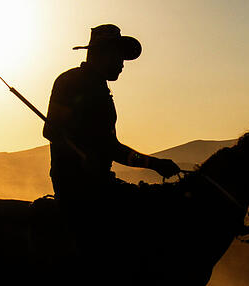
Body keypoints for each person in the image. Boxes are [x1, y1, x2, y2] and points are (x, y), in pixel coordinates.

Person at [43, 24, 180, 217]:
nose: (122, 64)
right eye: (118, 57)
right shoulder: (70, 82)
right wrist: (154, 164)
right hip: (77, 187)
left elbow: (110, 147)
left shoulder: (100, 90)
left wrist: (154, 164)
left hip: (100, 182)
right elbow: (50, 132)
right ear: (101, 54)